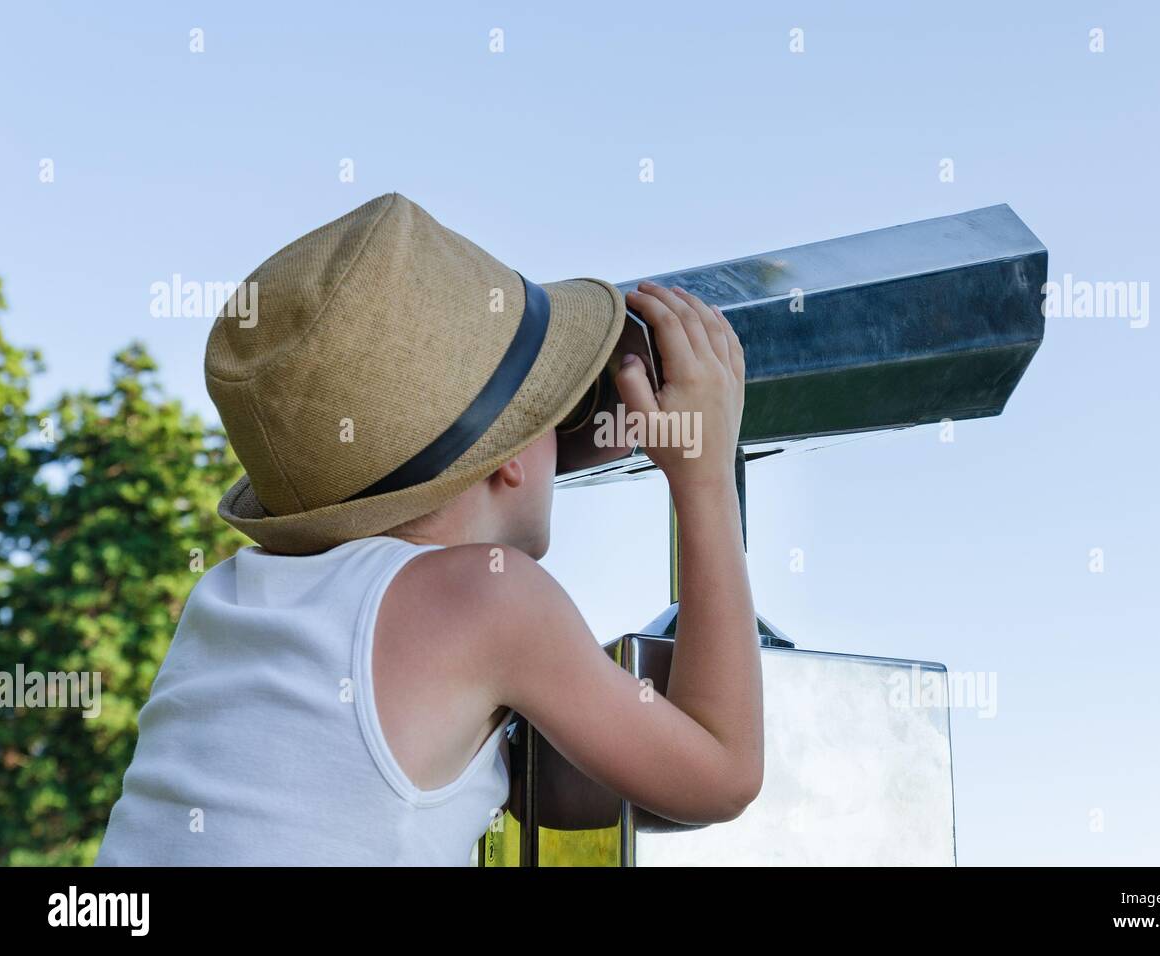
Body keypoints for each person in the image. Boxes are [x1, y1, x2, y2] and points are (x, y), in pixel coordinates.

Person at [95, 192, 762, 865]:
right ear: (507, 459)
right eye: (557, 414)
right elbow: (723, 773)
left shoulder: (227, 603)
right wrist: (703, 478)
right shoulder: (495, 598)